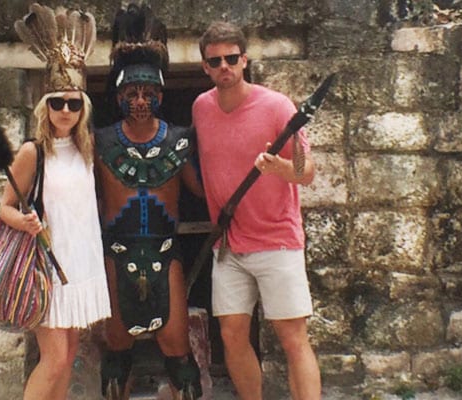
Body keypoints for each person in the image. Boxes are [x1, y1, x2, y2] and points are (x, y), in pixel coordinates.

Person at [191, 21, 322, 400]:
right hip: (229, 244)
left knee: (292, 337)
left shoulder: (277, 106)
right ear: (205, 67)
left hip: (276, 241)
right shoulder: (201, 107)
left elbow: (306, 171)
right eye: (215, 61)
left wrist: (278, 167)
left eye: (231, 58)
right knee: (232, 335)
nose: (224, 67)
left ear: (245, 59)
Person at [95, 4, 204, 400]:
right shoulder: (101, 142)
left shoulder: (178, 140)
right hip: (117, 252)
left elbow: (202, 191)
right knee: (117, 348)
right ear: (119, 95)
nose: (140, 101)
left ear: (161, 94)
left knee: (177, 350)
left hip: (164, 250)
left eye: (148, 93)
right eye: (131, 93)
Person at [2, 5, 109, 400]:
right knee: (53, 357)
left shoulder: (86, 149)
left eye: (73, 103)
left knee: (68, 356)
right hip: (46, 263)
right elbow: (6, 207)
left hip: (78, 263)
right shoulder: (33, 152)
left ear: (83, 108)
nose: (65, 110)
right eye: (58, 103)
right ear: (44, 106)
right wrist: (26, 223)